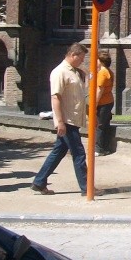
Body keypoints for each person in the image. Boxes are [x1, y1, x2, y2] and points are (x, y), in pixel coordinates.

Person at [31, 43, 101, 196]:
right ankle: (86, 188)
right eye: (81, 58)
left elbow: (80, 96)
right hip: (67, 120)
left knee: (59, 151)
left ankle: (39, 181)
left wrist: (90, 114)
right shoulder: (60, 72)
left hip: (72, 118)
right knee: (79, 153)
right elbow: (55, 97)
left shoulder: (75, 72)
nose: (82, 61)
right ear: (73, 55)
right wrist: (60, 121)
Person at [94, 50, 114, 157]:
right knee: (105, 125)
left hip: (103, 102)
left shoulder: (102, 72)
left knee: (100, 125)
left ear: (100, 61)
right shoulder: (109, 71)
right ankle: (104, 148)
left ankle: (99, 149)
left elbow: (99, 89)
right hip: (108, 101)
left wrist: (94, 104)